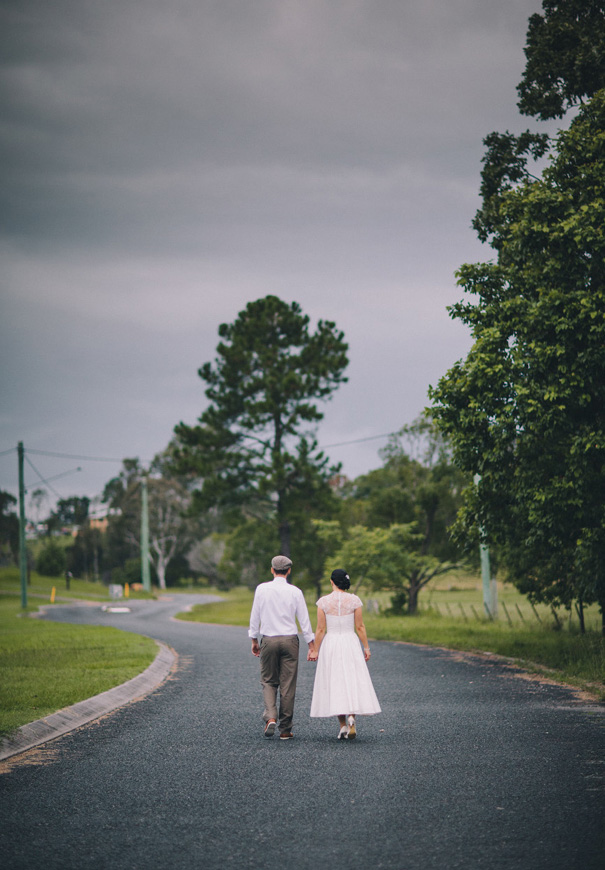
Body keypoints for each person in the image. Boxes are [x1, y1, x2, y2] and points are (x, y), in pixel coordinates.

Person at [249, 555, 316, 740]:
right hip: (290, 641)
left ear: (272, 570)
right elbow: (304, 620)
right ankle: (285, 730)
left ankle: (271, 716)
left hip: (269, 639)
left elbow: (255, 615)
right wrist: (311, 644)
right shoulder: (295, 591)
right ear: (288, 571)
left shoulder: (262, 589)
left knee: (269, 680)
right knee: (288, 685)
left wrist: (254, 639)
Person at [309, 568, 381, 739]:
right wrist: (366, 647)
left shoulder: (323, 602)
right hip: (350, 642)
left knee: (336, 681)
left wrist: (315, 650)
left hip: (332, 643)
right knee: (351, 679)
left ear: (331, 581)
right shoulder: (354, 600)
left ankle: (342, 725)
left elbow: (320, 629)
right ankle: (351, 718)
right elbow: (360, 627)